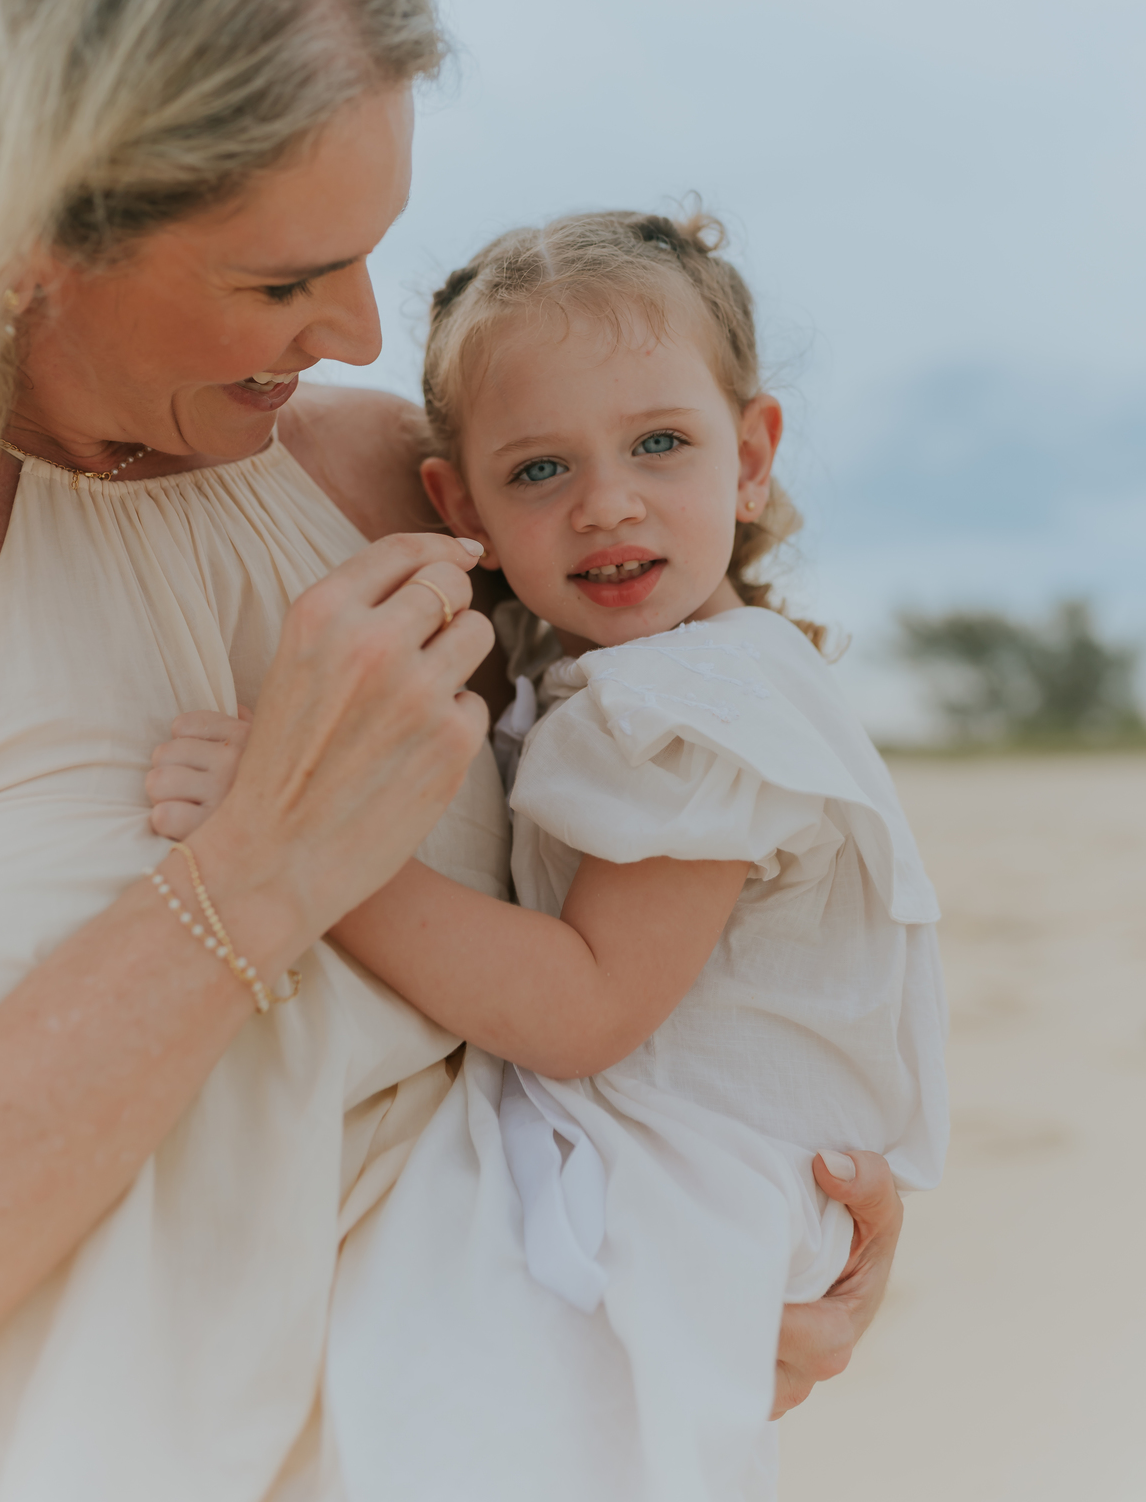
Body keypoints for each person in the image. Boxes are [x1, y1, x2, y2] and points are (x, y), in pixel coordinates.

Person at [0, 0, 907, 1501]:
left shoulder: (407, 492)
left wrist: (761, 1208)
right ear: (23, 233)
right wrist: (256, 867)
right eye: (283, 277)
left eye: (372, 246)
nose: (368, 333)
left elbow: (700, 869)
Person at [155, 208, 948, 1500]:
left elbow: (585, 1008)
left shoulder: (698, 710)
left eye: (660, 444)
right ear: (454, 501)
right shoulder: (627, 675)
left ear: (751, 456)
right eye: (539, 472)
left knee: (437, 1404)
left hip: (679, 1174)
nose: (607, 504)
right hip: (678, 1162)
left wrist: (302, 840)